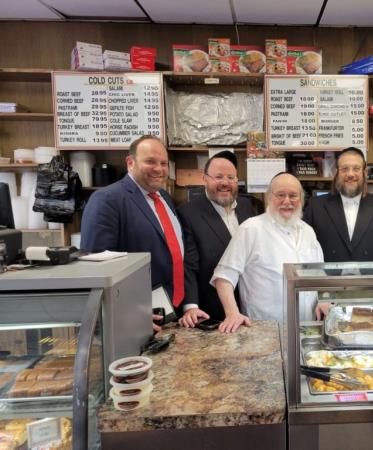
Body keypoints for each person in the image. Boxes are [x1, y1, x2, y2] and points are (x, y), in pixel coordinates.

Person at [80, 135, 185, 332]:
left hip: (169, 312)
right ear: (130, 162)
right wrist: (128, 315)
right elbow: (96, 269)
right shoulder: (106, 200)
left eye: (163, 163)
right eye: (150, 162)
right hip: (133, 321)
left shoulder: (164, 197)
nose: (159, 169)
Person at [211, 173, 324, 333]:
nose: (287, 201)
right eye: (280, 195)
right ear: (269, 198)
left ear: (301, 199)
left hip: (306, 331)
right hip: (263, 333)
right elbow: (223, 277)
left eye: (293, 195)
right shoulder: (251, 229)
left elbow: (318, 277)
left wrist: (322, 300)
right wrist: (232, 313)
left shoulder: (308, 232)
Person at [177, 152, 256, 328]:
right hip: (213, 310)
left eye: (230, 177)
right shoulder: (188, 213)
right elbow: (188, 263)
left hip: (249, 306)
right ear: (205, 179)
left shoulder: (247, 206)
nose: (225, 183)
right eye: (218, 177)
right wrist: (191, 306)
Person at [304, 147, 373, 262]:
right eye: (344, 169)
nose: (350, 174)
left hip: (370, 279)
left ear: (364, 172)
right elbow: (306, 253)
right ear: (337, 173)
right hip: (329, 280)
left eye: (356, 168)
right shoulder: (316, 206)